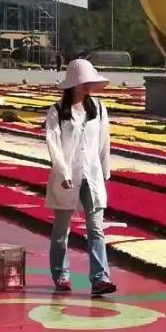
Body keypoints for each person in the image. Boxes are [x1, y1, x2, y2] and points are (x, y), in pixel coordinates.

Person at [45, 58, 116, 297]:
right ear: (74, 84)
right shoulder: (57, 112)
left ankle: (100, 278)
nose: (88, 87)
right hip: (67, 176)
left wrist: (105, 172)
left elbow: (104, 143)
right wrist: (63, 172)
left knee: (96, 229)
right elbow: (53, 143)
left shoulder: (98, 109)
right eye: (84, 82)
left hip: (92, 175)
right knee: (61, 231)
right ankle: (61, 275)